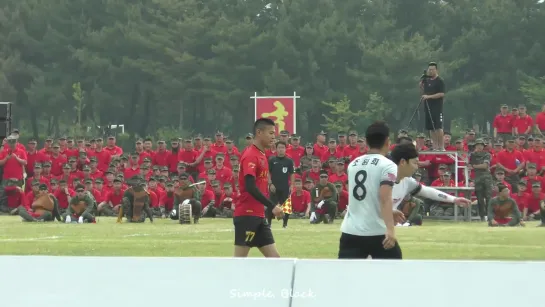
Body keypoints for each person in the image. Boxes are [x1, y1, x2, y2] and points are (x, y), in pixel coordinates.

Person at [338, 121, 471, 259]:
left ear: (366, 141)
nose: (417, 166)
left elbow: (366, 199)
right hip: (376, 232)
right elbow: (384, 198)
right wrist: (390, 229)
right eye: (414, 162)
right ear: (387, 142)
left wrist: (453, 199)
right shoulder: (388, 166)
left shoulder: (353, 164)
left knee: (348, 277)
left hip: (349, 232)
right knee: (395, 273)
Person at [234, 118, 283, 258]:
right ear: (259, 132)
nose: (274, 137)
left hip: (258, 216)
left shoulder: (262, 154)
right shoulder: (251, 155)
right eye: (271, 133)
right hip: (247, 216)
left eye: (275, 133)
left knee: (275, 260)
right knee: (238, 263)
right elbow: (250, 186)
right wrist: (272, 206)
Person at [268, 141, 295, 228]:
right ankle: (269, 224)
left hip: (285, 187)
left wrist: (291, 185)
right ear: (276, 149)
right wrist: (270, 183)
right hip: (274, 187)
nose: (281, 150)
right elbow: (268, 173)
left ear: (285, 149)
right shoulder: (272, 160)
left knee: (286, 206)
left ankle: (285, 224)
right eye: (279, 148)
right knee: (271, 205)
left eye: (282, 148)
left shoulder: (289, 161)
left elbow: (292, 173)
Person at [421, 62, 446, 151]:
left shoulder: (440, 81)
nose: (431, 71)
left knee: (438, 127)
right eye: (429, 69)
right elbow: (423, 90)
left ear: (436, 70)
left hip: (437, 107)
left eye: (432, 69)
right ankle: (435, 146)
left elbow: (441, 94)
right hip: (428, 107)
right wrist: (422, 83)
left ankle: (441, 146)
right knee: (431, 128)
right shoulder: (427, 80)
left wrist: (429, 97)